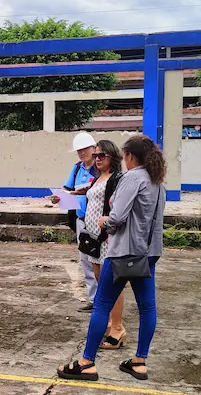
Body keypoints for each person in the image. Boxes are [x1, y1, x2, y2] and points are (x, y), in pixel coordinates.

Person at [57, 135, 166, 382]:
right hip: (148, 253)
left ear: (129, 156)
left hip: (124, 253)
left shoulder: (131, 178)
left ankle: (86, 363)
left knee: (102, 304)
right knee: (147, 307)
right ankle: (139, 361)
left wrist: (105, 221)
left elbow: (116, 219)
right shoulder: (157, 181)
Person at [81, 140, 127, 350]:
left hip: (108, 239)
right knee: (101, 284)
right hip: (94, 240)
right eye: (96, 155)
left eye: (102, 156)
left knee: (113, 286)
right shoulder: (98, 179)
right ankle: (108, 322)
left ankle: (117, 328)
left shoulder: (118, 179)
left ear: (112, 157)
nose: (97, 159)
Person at [51, 132, 99, 312]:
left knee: (100, 261)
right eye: (79, 151)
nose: (82, 153)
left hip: (99, 222)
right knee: (86, 260)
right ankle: (94, 300)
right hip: (81, 221)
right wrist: (58, 196)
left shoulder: (101, 167)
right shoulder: (77, 168)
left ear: (94, 149)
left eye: (85, 149)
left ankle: (103, 300)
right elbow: (67, 188)